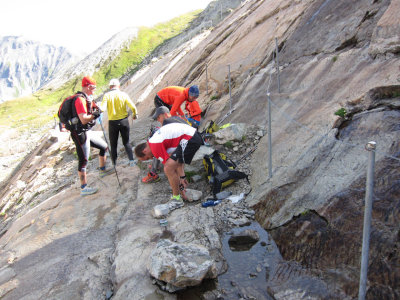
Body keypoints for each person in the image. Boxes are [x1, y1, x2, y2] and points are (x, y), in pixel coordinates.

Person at [135, 122, 204, 205]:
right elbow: (177, 161)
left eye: (147, 157)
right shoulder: (155, 141)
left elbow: (170, 168)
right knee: (171, 164)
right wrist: (182, 177)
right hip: (192, 136)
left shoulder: (154, 146)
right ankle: (178, 195)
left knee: (167, 168)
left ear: (144, 151)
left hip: (190, 138)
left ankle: (176, 199)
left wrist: (180, 189)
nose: (151, 158)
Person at [70, 76, 114, 196]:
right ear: (89, 87)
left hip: (86, 131)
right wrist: (95, 115)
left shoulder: (86, 98)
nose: (94, 90)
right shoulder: (80, 100)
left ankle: (102, 170)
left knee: (104, 146)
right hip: (80, 133)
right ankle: (84, 188)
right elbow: (83, 119)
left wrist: (96, 110)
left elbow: (91, 110)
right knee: (83, 160)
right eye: (93, 88)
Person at [142, 106, 189, 184]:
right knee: (158, 146)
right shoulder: (174, 119)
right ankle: (155, 166)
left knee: (157, 148)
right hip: (185, 142)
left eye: (158, 118)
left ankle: (154, 172)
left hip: (185, 145)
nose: (158, 120)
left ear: (164, 115)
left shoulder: (169, 123)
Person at [100, 78, 138, 167]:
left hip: (113, 123)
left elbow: (102, 109)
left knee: (113, 145)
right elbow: (133, 107)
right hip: (124, 121)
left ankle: (114, 164)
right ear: (119, 86)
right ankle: (131, 161)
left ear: (110, 87)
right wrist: (134, 115)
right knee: (126, 142)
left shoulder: (107, 95)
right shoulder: (123, 94)